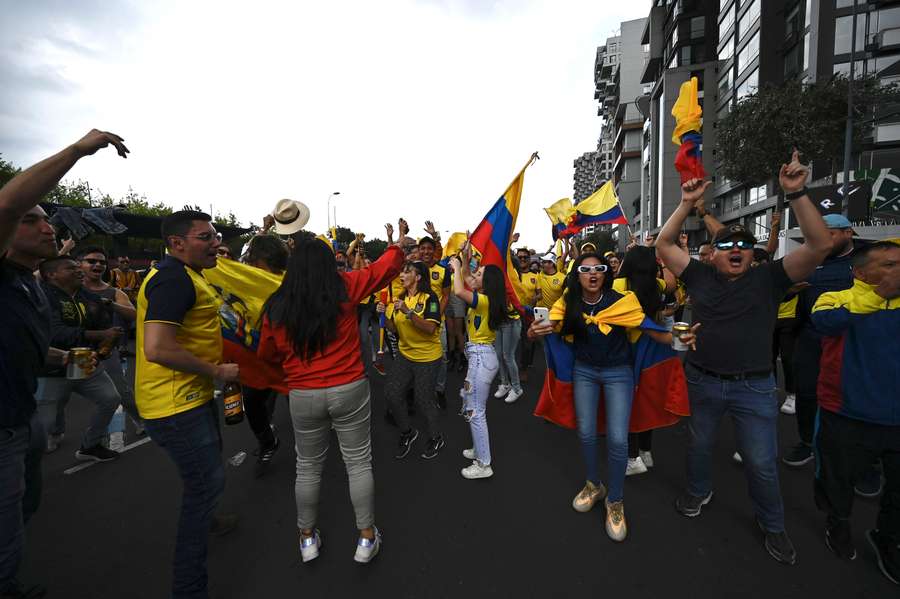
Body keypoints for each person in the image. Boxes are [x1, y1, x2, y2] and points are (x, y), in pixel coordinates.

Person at [654, 150, 832, 565]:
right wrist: (685, 204)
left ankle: (773, 525)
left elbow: (820, 245)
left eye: (744, 245)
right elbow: (663, 244)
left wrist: (796, 193)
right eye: (726, 244)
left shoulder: (770, 278)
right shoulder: (697, 275)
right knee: (698, 447)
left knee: (762, 463)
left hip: (754, 386)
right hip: (702, 379)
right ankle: (699, 492)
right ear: (712, 253)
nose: (736, 249)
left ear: (754, 255)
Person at [0, 128, 127, 599]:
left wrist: (68, 355)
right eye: (32, 220)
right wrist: (77, 150)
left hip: (19, 416)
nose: (46, 224)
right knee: (7, 528)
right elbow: (6, 205)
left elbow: (28, 345)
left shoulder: (30, 282)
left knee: (24, 505)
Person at [258, 233, 405, 565]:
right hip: (349, 387)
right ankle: (366, 538)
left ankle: (306, 538)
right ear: (329, 265)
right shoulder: (344, 288)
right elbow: (385, 268)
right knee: (358, 463)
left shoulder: (276, 305)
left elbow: (266, 354)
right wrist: (396, 243)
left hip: (302, 394)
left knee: (307, 467)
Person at [137, 210, 240, 599]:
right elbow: (158, 347)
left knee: (208, 467)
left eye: (215, 235)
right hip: (175, 406)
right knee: (204, 485)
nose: (216, 242)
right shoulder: (173, 279)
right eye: (205, 237)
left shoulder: (187, 275)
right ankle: (189, 588)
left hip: (190, 400)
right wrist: (216, 371)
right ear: (177, 243)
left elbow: (158, 324)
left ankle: (211, 517)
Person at [809, 240, 900, 583]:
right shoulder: (836, 298)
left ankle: (887, 538)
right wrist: (879, 296)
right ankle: (838, 523)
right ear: (861, 272)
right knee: (839, 480)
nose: (897, 271)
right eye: (888, 265)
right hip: (847, 413)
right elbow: (825, 323)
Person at [784, 213, 859, 470]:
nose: (823, 238)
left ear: (848, 232)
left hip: (852, 339)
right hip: (810, 336)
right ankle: (807, 442)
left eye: (830, 233)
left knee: (853, 396)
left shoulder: (866, 260)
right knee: (806, 392)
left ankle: (863, 460)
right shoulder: (808, 261)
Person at [35, 256, 123, 461]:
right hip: (51, 368)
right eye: (70, 268)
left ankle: (90, 445)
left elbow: (102, 322)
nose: (78, 270)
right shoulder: (42, 297)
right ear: (51, 275)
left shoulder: (86, 295)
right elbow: (55, 333)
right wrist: (100, 335)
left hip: (85, 362)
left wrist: (105, 343)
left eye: (77, 266)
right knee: (41, 425)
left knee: (111, 398)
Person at [612, 246, 675, 476]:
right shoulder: (655, 283)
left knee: (627, 403)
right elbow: (671, 284)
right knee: (648, 397)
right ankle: (646, 451)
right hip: (653, 346)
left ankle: (632, 457)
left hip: (626, 347)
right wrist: (664, 258)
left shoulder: (619, 284)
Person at [449, 249, 507, 480]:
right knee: (470, 403)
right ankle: (478, 447)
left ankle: (484, 464)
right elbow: (466, 278)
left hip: (481, 358)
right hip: (479, 357)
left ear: (487, 282)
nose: (474, 274)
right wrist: (463, 260)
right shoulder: (485, 299)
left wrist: (455, 267)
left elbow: (459, 288)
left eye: (480, 273)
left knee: (475, 411)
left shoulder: (483, 300)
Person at [378, 261, 445, 460]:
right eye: (402, 270)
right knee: (391, 394)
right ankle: (408, 432)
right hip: (405, 355)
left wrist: (409, 313)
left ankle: (436, 437)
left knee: (423, 400)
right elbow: (393, 329)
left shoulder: (430, 298)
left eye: (407, 271)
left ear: (418, 277)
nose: (402, 274)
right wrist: (382, 315)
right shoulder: (399, 298)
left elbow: (430, 328)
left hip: (427, 357)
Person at [76, 246, 143, 437]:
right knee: (57, 398)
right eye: (92, 261)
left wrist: (110, 304)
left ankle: (140, 421)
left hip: (104, 352)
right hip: (71, 353)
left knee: (121, 392)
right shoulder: (68, 287)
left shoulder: (113, 292)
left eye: (102, 262)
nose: (98, 265)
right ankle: (55, 432)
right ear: (79, 264)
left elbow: (134, 314)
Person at [240, 234, 289, 477]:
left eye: (252, 258)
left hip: (290, 358)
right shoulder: (246, 277)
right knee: (252, 402)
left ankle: (311, 449)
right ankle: (267, 441)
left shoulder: (291, 282)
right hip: (261, 355)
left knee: (302, 406)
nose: (247, 261)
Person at [417, 230, 452, 408]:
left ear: (434, 250)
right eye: (422, 248)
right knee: (419, 357)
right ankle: (423, 391)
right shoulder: (413, 268)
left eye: (429, 249)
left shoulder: (443, 270)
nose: (426, 252)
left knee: (442, 357)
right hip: (415, 323)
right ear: (418, 250)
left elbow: (446, 296)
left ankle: (439, 390)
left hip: (438, 323)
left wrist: (437, 316)